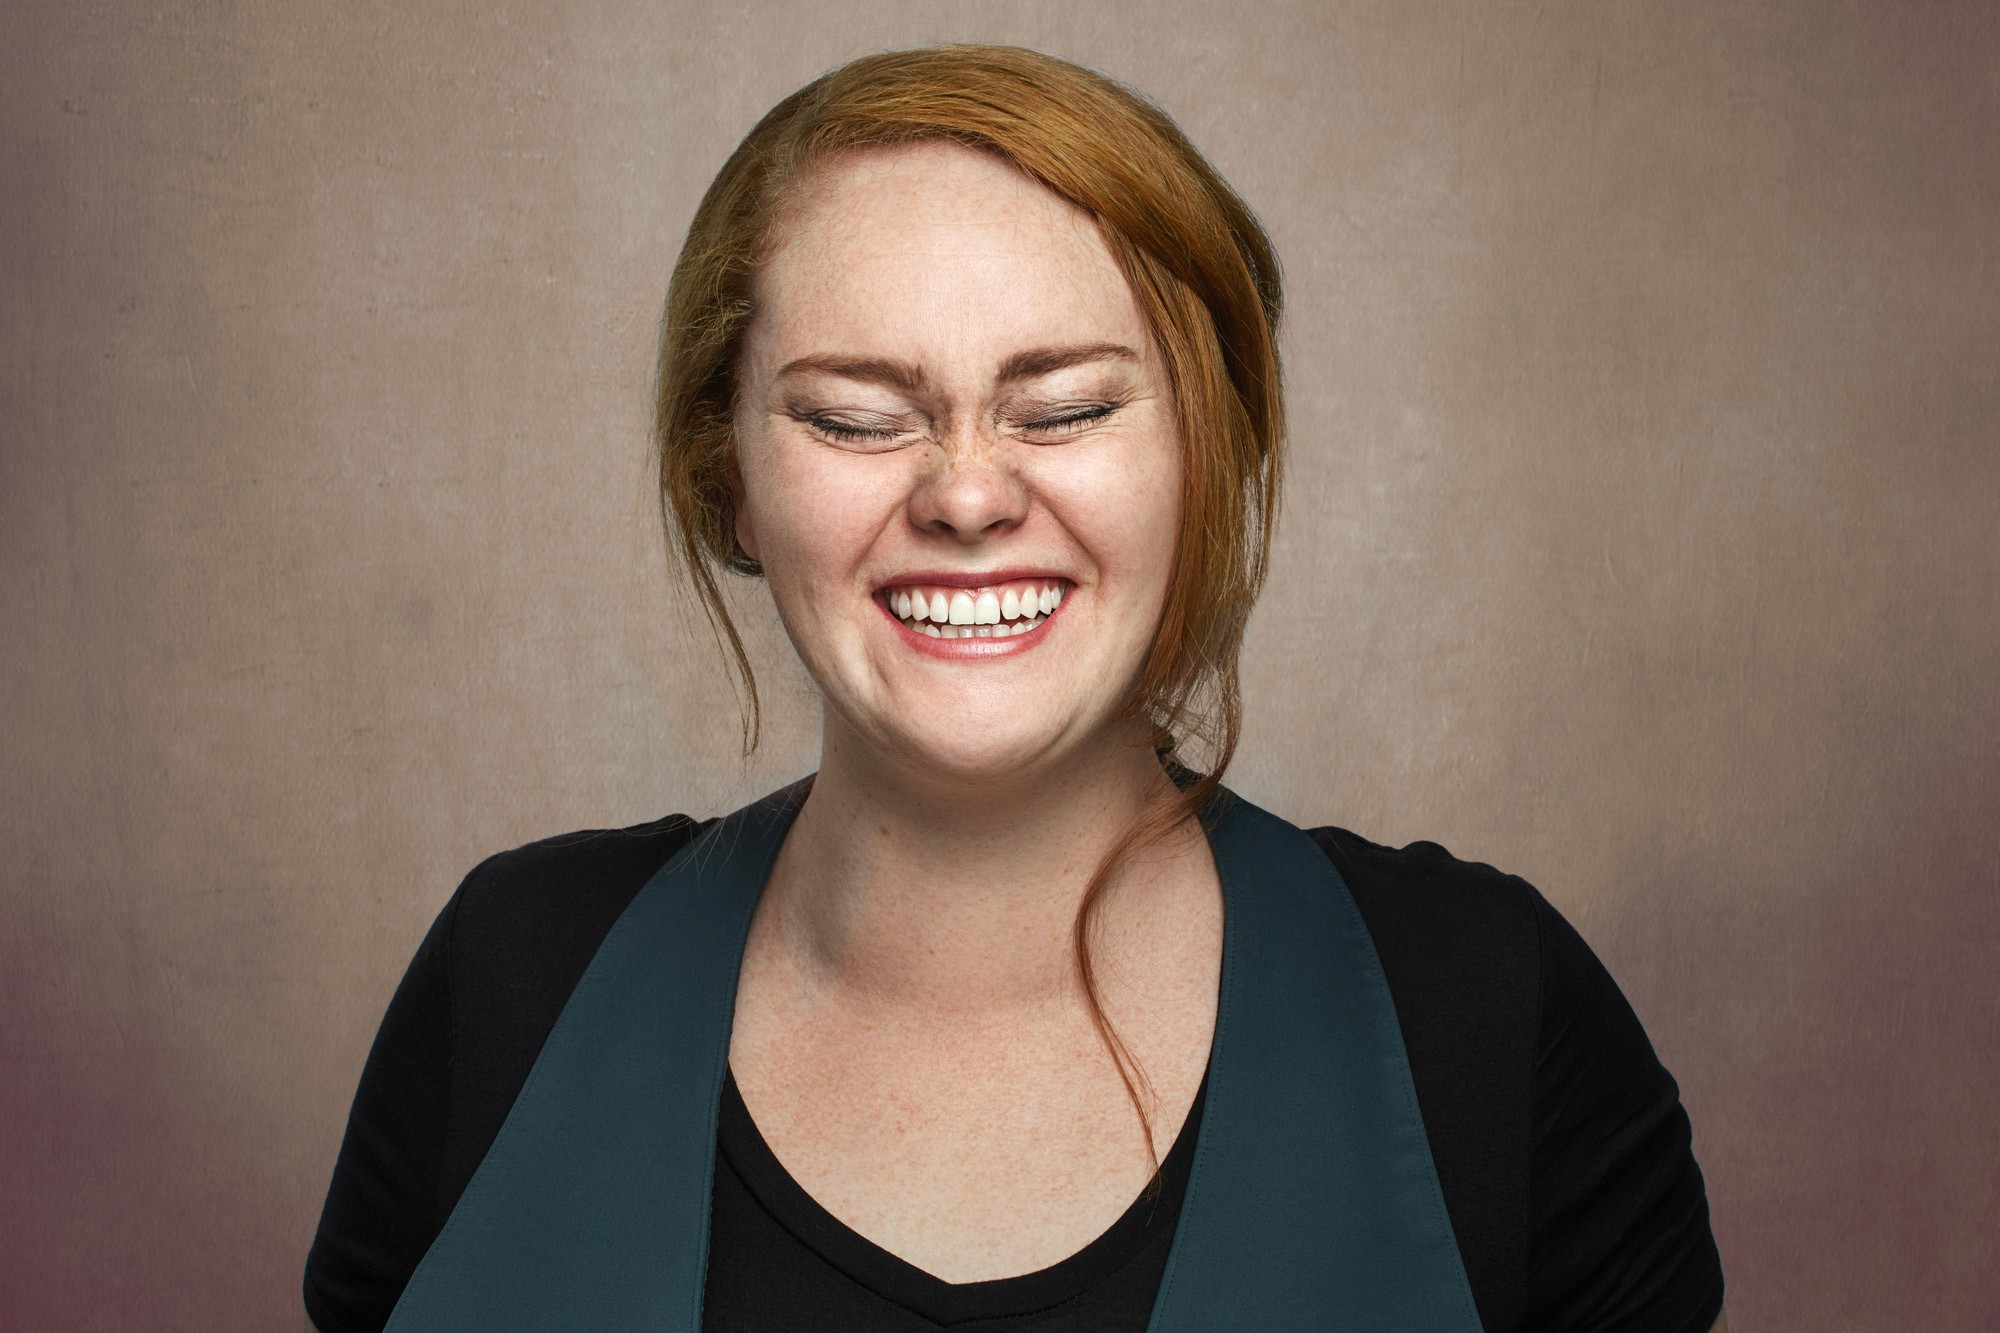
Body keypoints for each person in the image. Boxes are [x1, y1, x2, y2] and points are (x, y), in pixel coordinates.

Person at [304, 44, 1727, 1333]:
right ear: (728, 476)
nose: (969, 493)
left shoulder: (1488, 1015)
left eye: (1068, 409)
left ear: (1210, 452)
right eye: (856, 418)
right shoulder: (511, 979)